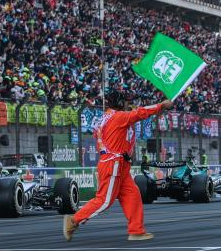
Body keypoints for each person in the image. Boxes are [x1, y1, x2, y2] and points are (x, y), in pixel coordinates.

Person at [63, 90, 173, 242]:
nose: (129, 104)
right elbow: (140, 113)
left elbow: (102, 134)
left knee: (132, 195)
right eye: (127, 101)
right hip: (114, 162)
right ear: (120, 103)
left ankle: (136, 231)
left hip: (119, 164)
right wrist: (161, 105)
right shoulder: (118, 116)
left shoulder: (105, 117)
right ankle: (74, 220)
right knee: (104, 200)